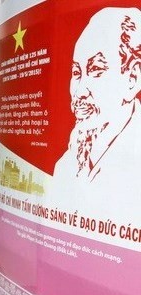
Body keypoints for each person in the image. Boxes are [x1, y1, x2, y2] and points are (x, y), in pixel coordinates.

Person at [54, 7, 141, 186]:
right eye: (77, 72)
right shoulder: (65, 167)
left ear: (133, 77)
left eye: (96, 70)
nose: (79, 92)